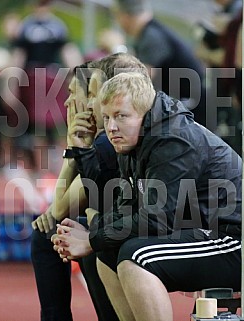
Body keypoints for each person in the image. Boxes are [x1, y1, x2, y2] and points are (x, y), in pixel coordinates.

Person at [52, 71, 241, 321]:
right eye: (106, 117)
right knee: (108, 253)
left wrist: (91, 238)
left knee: (136, 257)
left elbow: (157, 219)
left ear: (145, 111)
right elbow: (127, 207)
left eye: (121, 116)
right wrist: (93, 235)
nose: (111, 127)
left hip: (232, 240)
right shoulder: (134, 139)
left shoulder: (173, 139)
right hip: (203, 230)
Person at [31, 53, 149, 321]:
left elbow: (59, 208)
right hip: (131, 222)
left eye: (78, 93)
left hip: (150, 227)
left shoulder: (108, 143)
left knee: (73, 233)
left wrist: (74, 148)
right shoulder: (104, 139)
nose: (68, 101)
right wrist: (74, 149)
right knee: (65, 230)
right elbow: (59, 208)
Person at [8, 0, 83, 171]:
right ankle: (25, 155)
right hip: (32, 77)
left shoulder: (54, 26)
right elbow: (19, 55)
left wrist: (76, 72)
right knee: (29, 116)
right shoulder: (28, 26)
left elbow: (68, 51)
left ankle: (50, 154)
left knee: (49, 117)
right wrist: (12, 80)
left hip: (48, 77)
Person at [112, 0, 207, 127]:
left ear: (123, 16)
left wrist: (116, 48)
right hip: (185, 108)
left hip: (192, 113)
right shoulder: (151, 32)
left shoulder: (152, 37)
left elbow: (137, 81)